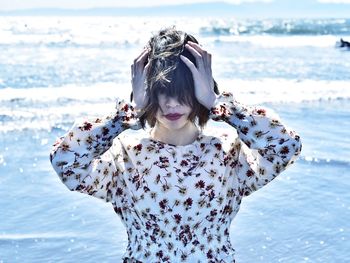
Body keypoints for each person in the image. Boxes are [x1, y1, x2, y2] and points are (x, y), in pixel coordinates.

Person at [50, 27, 302, 263]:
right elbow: (66, 162)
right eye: (161, 90)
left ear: (198, 89)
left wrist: (218, 104)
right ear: (145, 90)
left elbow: (287, 145)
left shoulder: (228, 153)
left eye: (182, 90)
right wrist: (126, 115)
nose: (171, 103)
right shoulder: (124, 156)